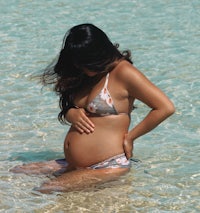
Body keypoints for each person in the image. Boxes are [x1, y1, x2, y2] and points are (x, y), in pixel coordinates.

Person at [11, 23, 175, 193]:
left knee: (45, 189)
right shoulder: (88, 73)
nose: (80, 67)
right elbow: (76, 107)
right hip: (75, 164)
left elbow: (165, 107)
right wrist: (70, 113)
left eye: (84, 62)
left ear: (98, 53)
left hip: (107, 164)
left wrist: (130, 138)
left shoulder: (124, 72)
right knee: (16, 172)